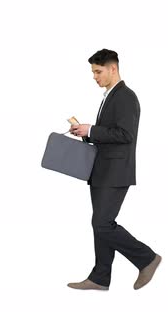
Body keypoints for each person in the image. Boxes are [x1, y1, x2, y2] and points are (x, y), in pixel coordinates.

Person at [67, 49, 161, 290]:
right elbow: (109, 135)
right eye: (93, 72)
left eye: (98, 72)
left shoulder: (126, 96)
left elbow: (125, 135)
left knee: (102, 223)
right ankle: (100, 278)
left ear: (113, 69)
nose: (94, 77)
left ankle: (147, 258)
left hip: (116, 172)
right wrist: (86, 134)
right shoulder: (109, 96)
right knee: (101, 223)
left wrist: (92, 130)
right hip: (101, 171)